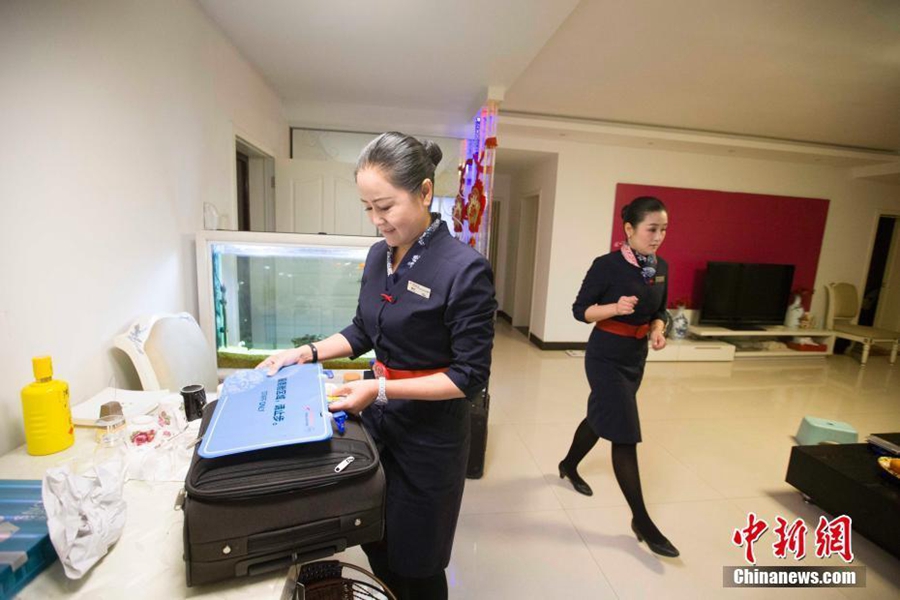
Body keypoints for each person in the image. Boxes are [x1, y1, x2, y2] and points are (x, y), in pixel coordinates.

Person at [258, 132, 496, 599]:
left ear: (425, 192)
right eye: (367, 208)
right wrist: (302, 353)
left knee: (419, 562)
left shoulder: (464, 269)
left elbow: (470, 376)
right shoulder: (378, 255)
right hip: (378, 424)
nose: (376, 220)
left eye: (385, 206)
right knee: (376, 539)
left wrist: (382, 390)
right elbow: (363, 331)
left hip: (430, 438)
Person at [558, 196, 679, 558]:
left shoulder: (661, 266)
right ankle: (641, 519)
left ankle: (567, 465)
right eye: (651, 229)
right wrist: (615, 307)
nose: (658, 237)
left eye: (663, 230)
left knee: (601, 417)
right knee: (624, 432)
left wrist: (658, 329)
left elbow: (661, 310)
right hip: (606, 355)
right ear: (629, 229)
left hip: (634, 358)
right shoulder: (607, 266)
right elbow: (581, 311)